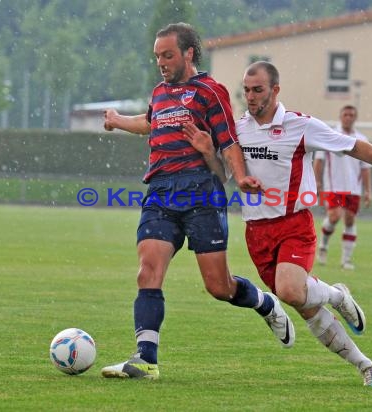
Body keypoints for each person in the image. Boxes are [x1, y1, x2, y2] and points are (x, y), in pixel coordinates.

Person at [183, 61, 372, 386]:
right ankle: (367, 366)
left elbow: (353, 147)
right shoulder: (237, 130)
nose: (251, 97)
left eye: (258, 90)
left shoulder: (300, 126)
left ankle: (338, 296)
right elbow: (225, 175)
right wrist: (208, 153)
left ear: (275, 90)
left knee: (289, 289)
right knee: (304, 306)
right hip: (256, 232)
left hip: (293, 224)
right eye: (247, 91)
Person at [100, 24, 296, 380]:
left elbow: (228, 141)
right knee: (148, 272)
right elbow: (150, 122)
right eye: (157, 55)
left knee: (218, 287)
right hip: (160, 192)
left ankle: (265, 303)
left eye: (168, 54)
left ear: (189, 53)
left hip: (201, 193)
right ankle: (146, 359)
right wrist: (117, 120)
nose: (161, 61)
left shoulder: (210, 91)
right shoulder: (159, 92)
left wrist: (240, 177)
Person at [313, 105, 372, 270]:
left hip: (354, 187)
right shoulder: (330, 135)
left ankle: (346, 260)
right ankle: (323, 245)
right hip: (333, 186)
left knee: (350, 220)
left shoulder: (361, 139)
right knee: (334, 216)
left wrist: (368, 191)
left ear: (355, 117)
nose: (348, 117)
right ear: (340, 116)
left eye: (352, 115)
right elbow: (319, 160)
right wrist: (317, 182)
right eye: (345, 114)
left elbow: (366, 167)